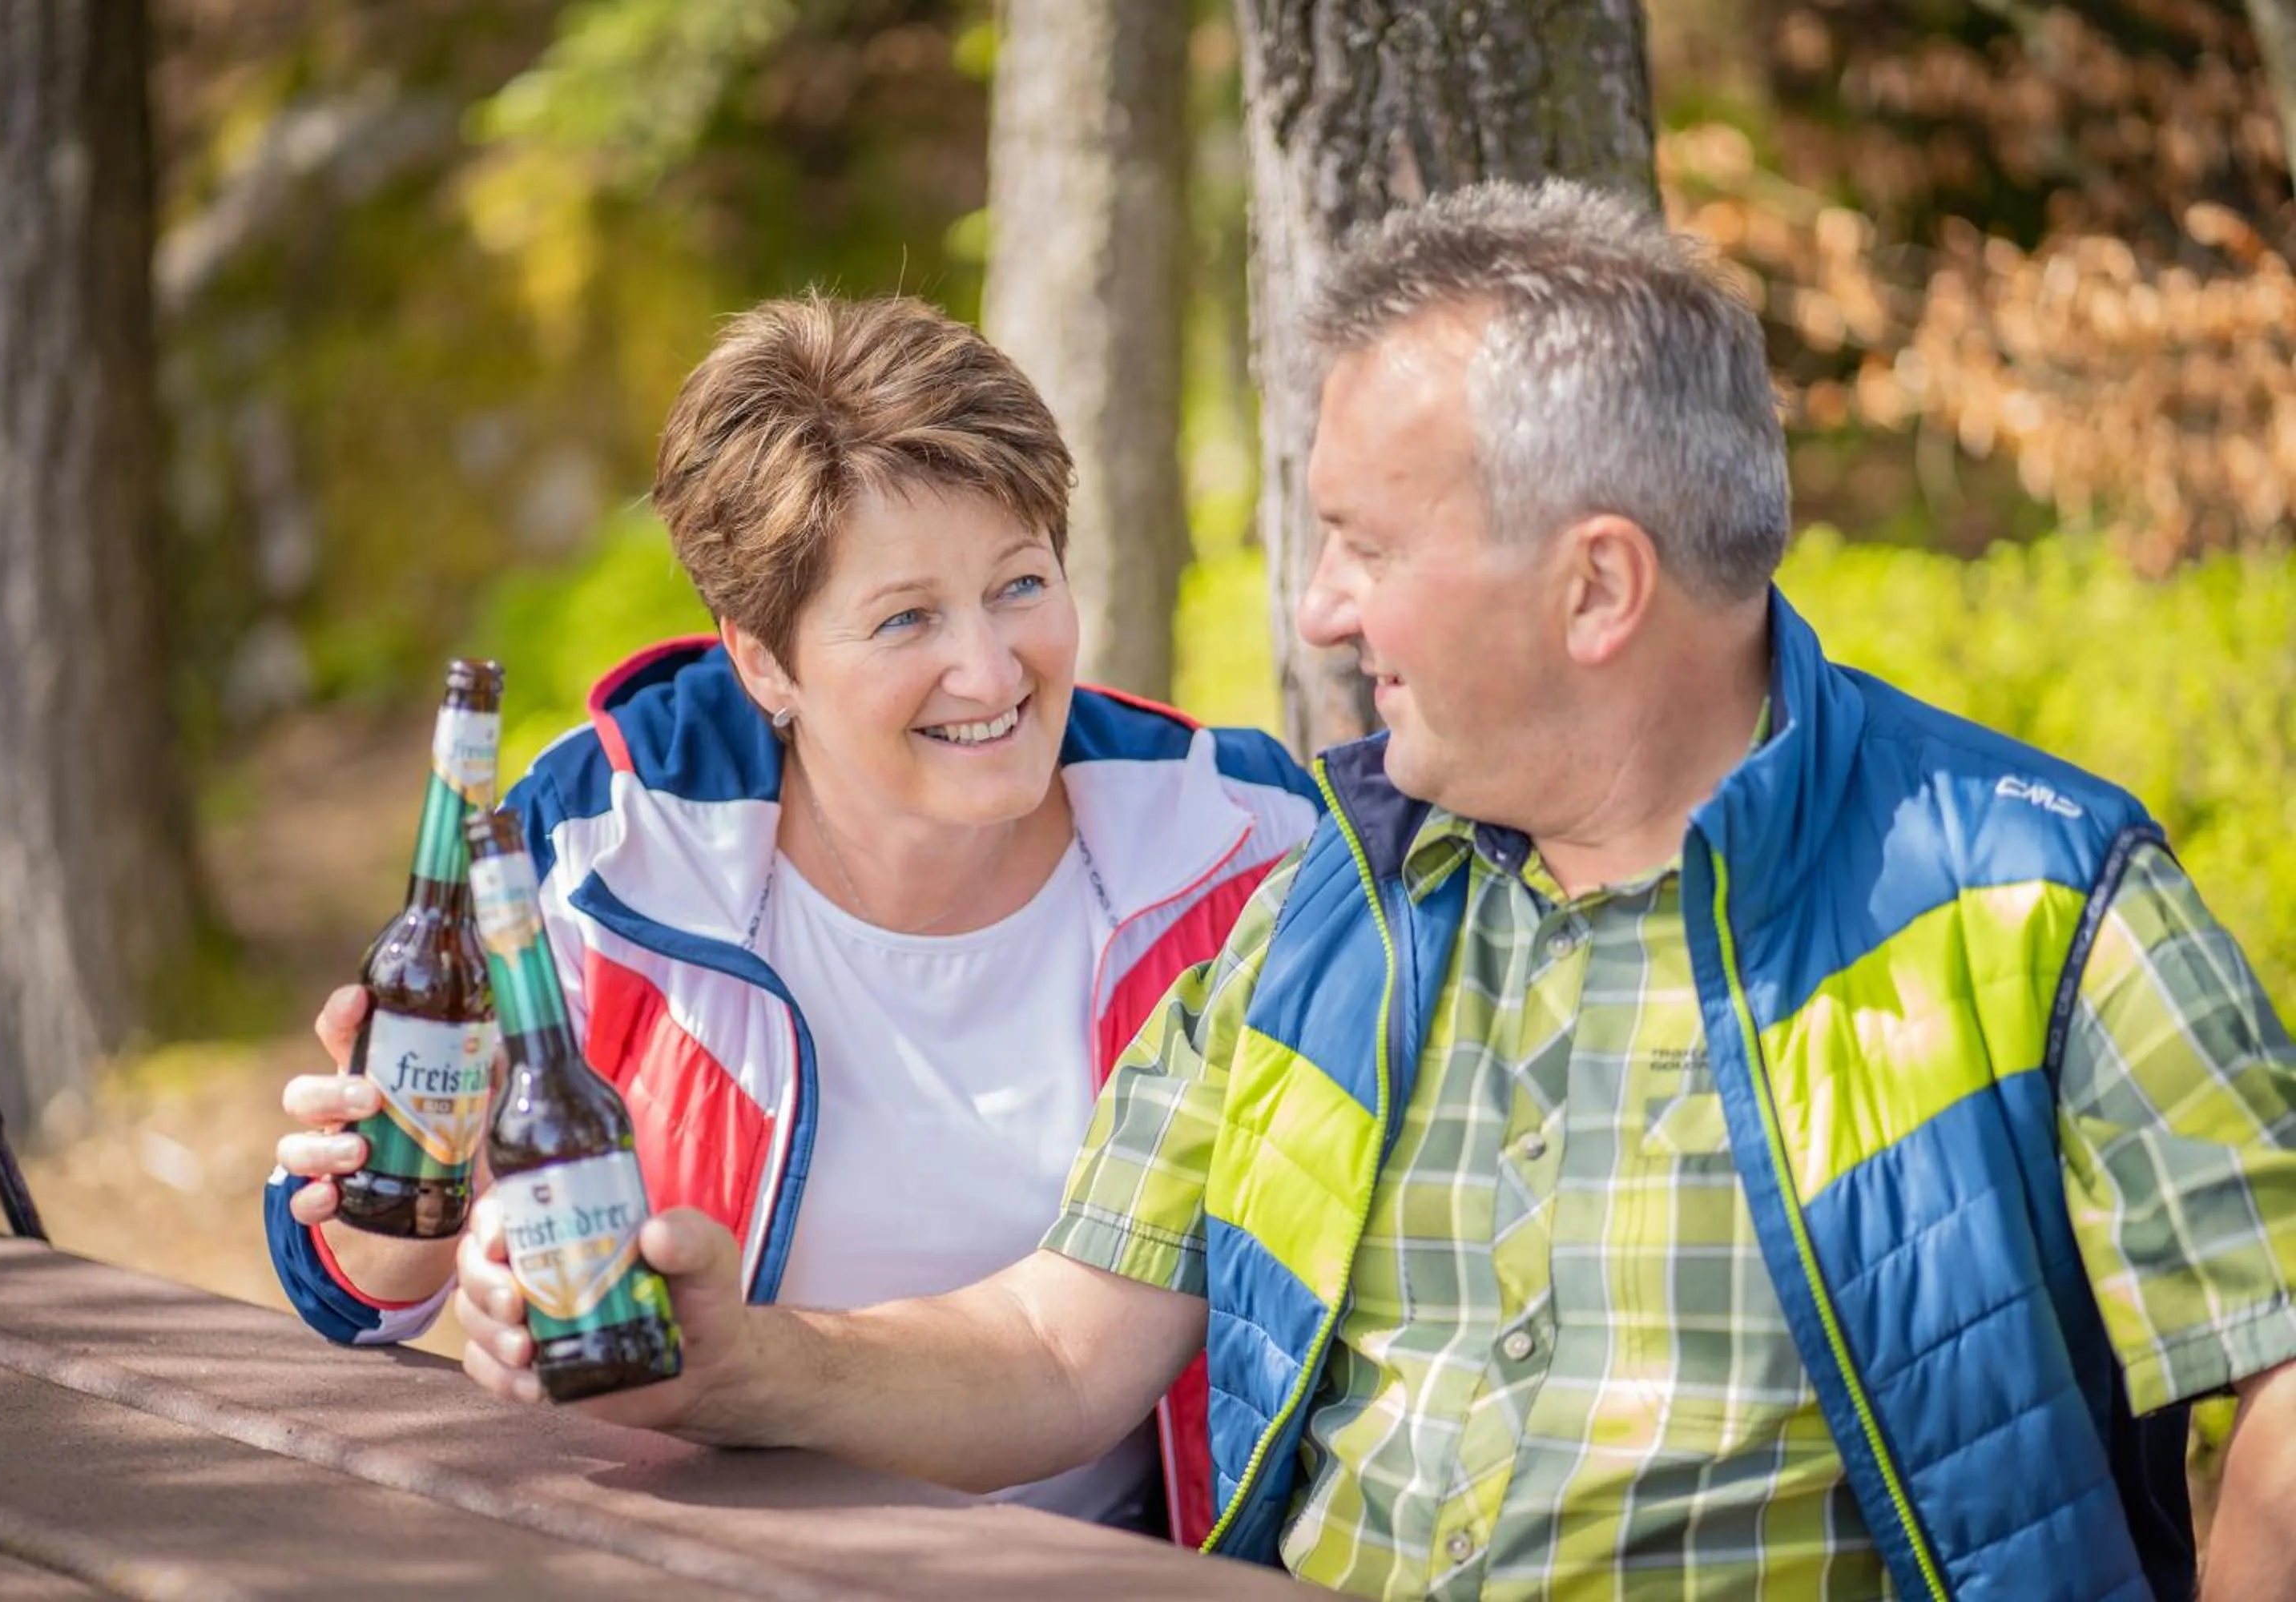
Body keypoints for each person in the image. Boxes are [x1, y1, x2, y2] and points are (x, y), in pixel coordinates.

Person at [449, 180, 2296, 1601]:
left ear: (1596, 587)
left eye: (1363, 545)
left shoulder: (2028, 901)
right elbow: (1053, 1346)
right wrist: (737, 1362)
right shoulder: (1325, 914)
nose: (1319, 609)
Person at [261, 292, 1322, 1540]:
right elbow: (362, 1293)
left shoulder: (1238, 844)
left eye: (1020, 584)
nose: (990, 670)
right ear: (763, 661)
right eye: (906, 617)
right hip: (691, 1553)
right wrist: (424, 1207)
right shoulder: (611, 841)